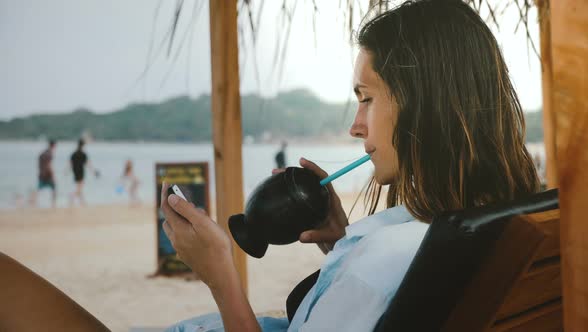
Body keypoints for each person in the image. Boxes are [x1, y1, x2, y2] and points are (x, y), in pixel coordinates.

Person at [0, 1, 540, 331]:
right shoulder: (479, 226)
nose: (355, 126)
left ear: (425, 105)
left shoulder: (384, 263)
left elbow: (374, 292)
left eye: (366, 99)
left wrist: (219, 275)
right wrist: (338, 239)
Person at [32, 139, 57, 208]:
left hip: (41, 174)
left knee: (38, 188)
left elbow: (39, 164)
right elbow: (49, 165)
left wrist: (40, 172)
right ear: (54, 146)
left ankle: (33, 202)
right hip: (47, 175)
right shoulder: (50, 154)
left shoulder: (43, 153)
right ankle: (53, 204)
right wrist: (53, 175)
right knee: (54, 188)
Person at [69, 139, 93, 206]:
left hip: (75, 172)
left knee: (79, 187)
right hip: (81, 172)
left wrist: (68, 171)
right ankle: (72, 196)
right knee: (79, 187)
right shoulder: (83, 154)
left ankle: (82, 202)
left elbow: (70, 163)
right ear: (83, 145)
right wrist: (93, 172)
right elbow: (87, 163)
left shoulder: (74, 153)